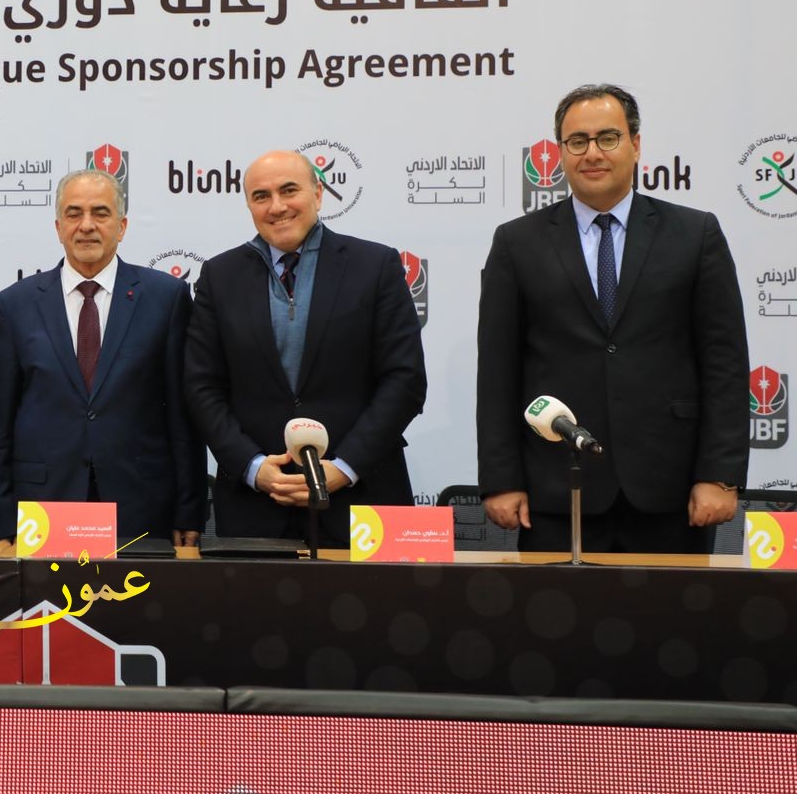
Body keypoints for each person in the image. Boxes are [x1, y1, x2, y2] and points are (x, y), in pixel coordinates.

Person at [477, 84, 748, 553]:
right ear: (560, 152)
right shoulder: (516, 243)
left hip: (672, 489)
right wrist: (501, 479)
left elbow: (724, 363)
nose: (592, 153)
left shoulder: (695, 234)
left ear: (636, 145)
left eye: (608, 138)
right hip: (556, 488)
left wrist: (720, 475)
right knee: (553, 605)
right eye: (577, 141)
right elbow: (498, 371)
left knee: (676, 605)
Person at [185, 151, 427, 547]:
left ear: (318, 193)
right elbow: (201, 386)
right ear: (249, 205)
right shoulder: (220, 275)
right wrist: (253, 467)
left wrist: (345, 467)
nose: (277, 206)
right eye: (261, 196)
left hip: (363, 500)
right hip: (255, 506)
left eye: (289, 190)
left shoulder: (375, 265)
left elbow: (405, 379)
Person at [0, 168, 205, 549]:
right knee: (51, 593)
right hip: (44, 506)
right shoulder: (14, 304)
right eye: (74, 214)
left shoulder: (166, 298)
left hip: (141, 503)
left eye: (100, 213)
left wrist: (188, 511)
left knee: (140, 592)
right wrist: (5, 521)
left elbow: (183, 417)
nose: (86, 225)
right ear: (58, 227)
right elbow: (0, 423)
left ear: (122, 226)